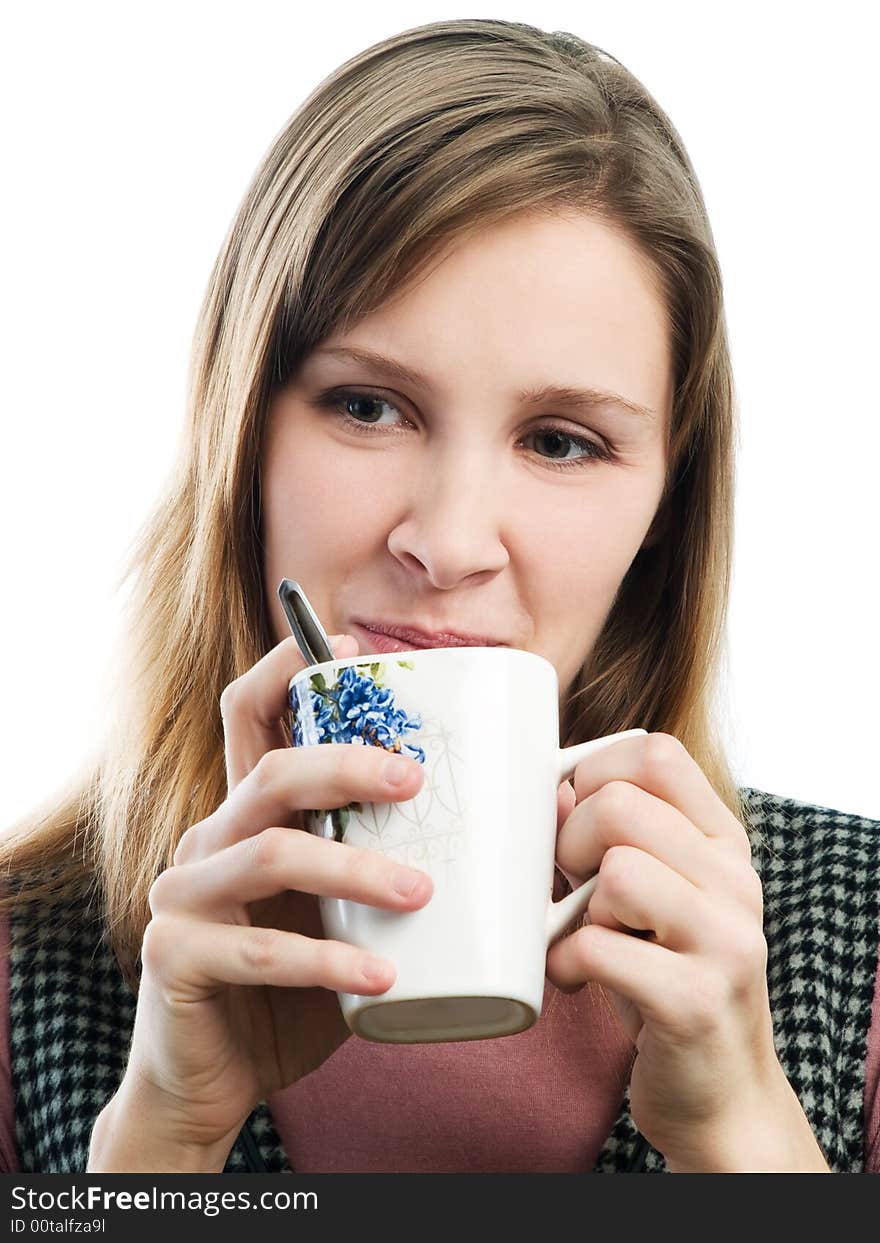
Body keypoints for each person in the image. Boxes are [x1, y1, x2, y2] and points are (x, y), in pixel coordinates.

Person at [1, 17, 878, 1175]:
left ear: (667, 505)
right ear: (243, 432)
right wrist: (164, 1132)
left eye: (560, 442)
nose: (450, 542)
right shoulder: (29, 970)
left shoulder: (855, 954)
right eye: (367, 406)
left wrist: (741, 1133)